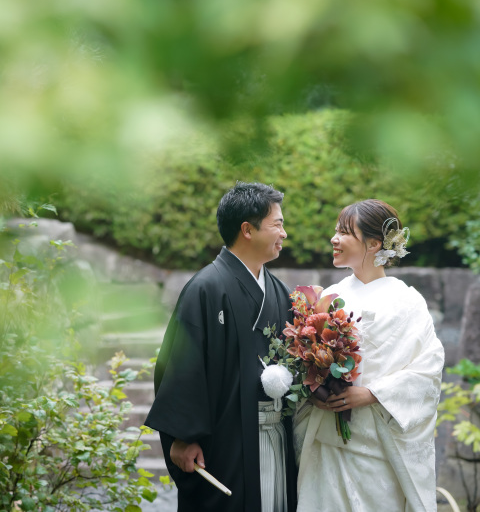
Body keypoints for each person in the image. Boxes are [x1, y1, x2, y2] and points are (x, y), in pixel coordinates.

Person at [144, 182, 298, 512]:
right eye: (278, 224)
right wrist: (183, 438)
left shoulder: (281, 292)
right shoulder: (206, 288)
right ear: (247, 229)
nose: (284, 233)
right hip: (226, 440)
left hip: (275, 435)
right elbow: (183, 367)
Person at [293, 199, 444, 512]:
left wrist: (373, 393)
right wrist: (316, 391)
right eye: (335, 231)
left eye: (344, 232)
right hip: (328, 439)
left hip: (378, 444)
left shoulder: (407, 301)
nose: (334, 239)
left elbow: (428, 370)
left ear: (374, 243)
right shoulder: (328, 297)